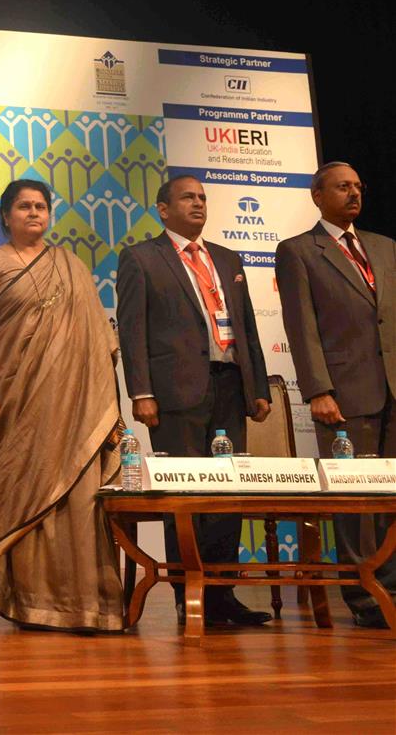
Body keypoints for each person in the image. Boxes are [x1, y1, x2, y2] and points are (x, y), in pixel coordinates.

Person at [0, 178, 125, 632]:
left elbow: (97, 339)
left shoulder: (70, 264)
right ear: (6, 215)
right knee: (30, 492)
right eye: (24, 207)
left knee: (80, 496)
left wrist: (106, 404)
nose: (34, 214)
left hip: (77, 406)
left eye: (41, 207)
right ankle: (32, 601)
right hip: (18, 401)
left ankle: (86, 603)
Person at [117, 173, 272, 627]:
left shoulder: (226, 258)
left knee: (227, 496)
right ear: (163, 209)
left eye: (203, 197)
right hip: (175, 394)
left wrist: (257, 387)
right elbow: (133, 331)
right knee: (185, 496)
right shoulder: (142, 259)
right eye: (188, 197)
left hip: (229, 384)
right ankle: (191, 596)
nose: (198, 204)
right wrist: (141, 391)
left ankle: (224, 595)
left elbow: (246, 328)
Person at [276, 161, 395, 628]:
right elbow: (300, 328)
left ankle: (392, 588)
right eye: (342, 187)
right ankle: (364, 597)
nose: (353, 194)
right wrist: (318, 390)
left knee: (389, 501)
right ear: (317, 195)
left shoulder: (384, 248)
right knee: (354, 501)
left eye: (358, 187)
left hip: (391, 389)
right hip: (344, 393)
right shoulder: (300, 251)